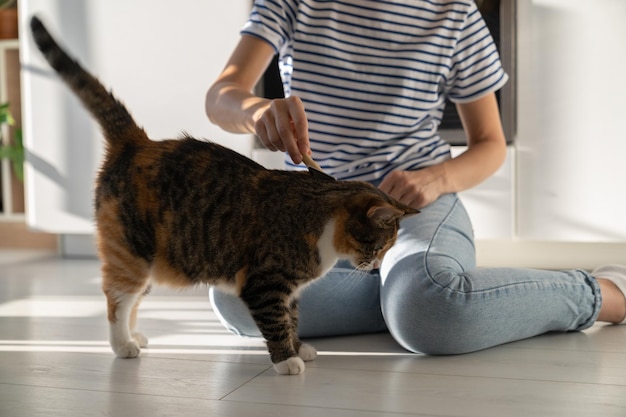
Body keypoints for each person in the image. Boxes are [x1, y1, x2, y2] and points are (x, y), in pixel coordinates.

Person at [205, 0, 626, 355]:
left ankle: (603, 292)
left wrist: (436, 179)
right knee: (235, 298)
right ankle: (416, 293)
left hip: (411, 207)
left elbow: (489, 143)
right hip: (317, 214)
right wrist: (257, 111)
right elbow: (222, 96)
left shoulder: (455, 11)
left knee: (424, 310)